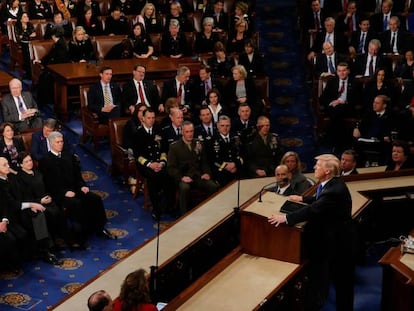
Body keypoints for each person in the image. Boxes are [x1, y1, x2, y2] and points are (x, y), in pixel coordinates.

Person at [268, 154, 355, 311]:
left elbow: (315, 209)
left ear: (327, 171)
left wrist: (286, 218)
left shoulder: (334, 190)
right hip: (332, 239)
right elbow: (318, 199)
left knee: (342, 283)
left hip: (339, 243)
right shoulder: (330, 184)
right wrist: (302, 199)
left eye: (318, 165)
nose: (314, 167)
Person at [39, 131, 116, 241]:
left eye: (61, 141)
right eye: (57, 142)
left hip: (75, 188)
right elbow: (47, 183)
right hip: (59, 194)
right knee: (76, 203)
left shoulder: (68, 155)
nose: (60, 144)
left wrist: (82, 186)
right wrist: (63, 193)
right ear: (51, 143)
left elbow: (77, 175)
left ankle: (100, 228)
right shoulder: (45, 161)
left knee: (95, 198)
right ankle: (82, 233)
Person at [1, 156, 63, 265]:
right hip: (12, 213)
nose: (8, 166)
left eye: (7, 164)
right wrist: (31, 204)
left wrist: (31, 204)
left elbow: (22, 195)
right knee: (36, 216)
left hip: (21, 206)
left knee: (41, 212)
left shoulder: (11, 177)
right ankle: (45, 251)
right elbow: (12, 204)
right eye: (4, 165)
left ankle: (48, 246)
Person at [14, 152, 78, 248]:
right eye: (26, 162)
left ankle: (68, 239)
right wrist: (40, 201)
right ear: (20, 164)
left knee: (59, 212)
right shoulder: (19, 178)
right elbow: (24, 197)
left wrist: (49, 196)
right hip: (34, 204)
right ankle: (52, 244)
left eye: (30, 160)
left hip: (47, 200)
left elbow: (47, 187)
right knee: (49, 214)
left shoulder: (38, 172)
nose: (29, 163)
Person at [167, 121, 219, 215]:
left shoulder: (199, 143)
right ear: (182, 132)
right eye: (187, 132)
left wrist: (207, 173)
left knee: (213, 186)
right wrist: (181, 177)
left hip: (198, 176)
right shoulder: (174, 147)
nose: (190, 134)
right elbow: (171, 168)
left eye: (191, 131)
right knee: (184, 188)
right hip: (183, 177)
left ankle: (209, 212)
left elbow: (204, 162)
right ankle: (184, 215)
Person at [133, 108, 174, 219]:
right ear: (143, 119)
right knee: (153, 178)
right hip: (145, 165)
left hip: (159, 162)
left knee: (169, 175)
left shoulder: (159, 130)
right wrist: (150, 164)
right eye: (148, 118)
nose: (151, 120)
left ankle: (169, 206)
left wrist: (162, 162)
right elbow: (137, 155)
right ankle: (156, 209)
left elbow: (164, 149)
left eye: (153, 118)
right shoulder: (138, 134)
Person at [207, 115, 243, 187]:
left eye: (227, 125)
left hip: (237, 169)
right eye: (222, 125)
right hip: (221, 171)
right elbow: (212, 159)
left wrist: (235, 164)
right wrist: (226, 166)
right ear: (218, 126)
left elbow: (243, 154)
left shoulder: (237, 138)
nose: (225, 128)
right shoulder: (211, 140)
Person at [14, 12, 37, 78]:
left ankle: (33, 72)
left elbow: (34, 35)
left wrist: (24, 34)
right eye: (24, 16)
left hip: (31, 43)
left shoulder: (30, 24)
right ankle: (29, 73)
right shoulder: (17, 26)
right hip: (23, 43)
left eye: (27, 16)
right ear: (20, 19)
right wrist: (28, 34)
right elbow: (19, 38)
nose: (26, 18)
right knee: (27, 53)